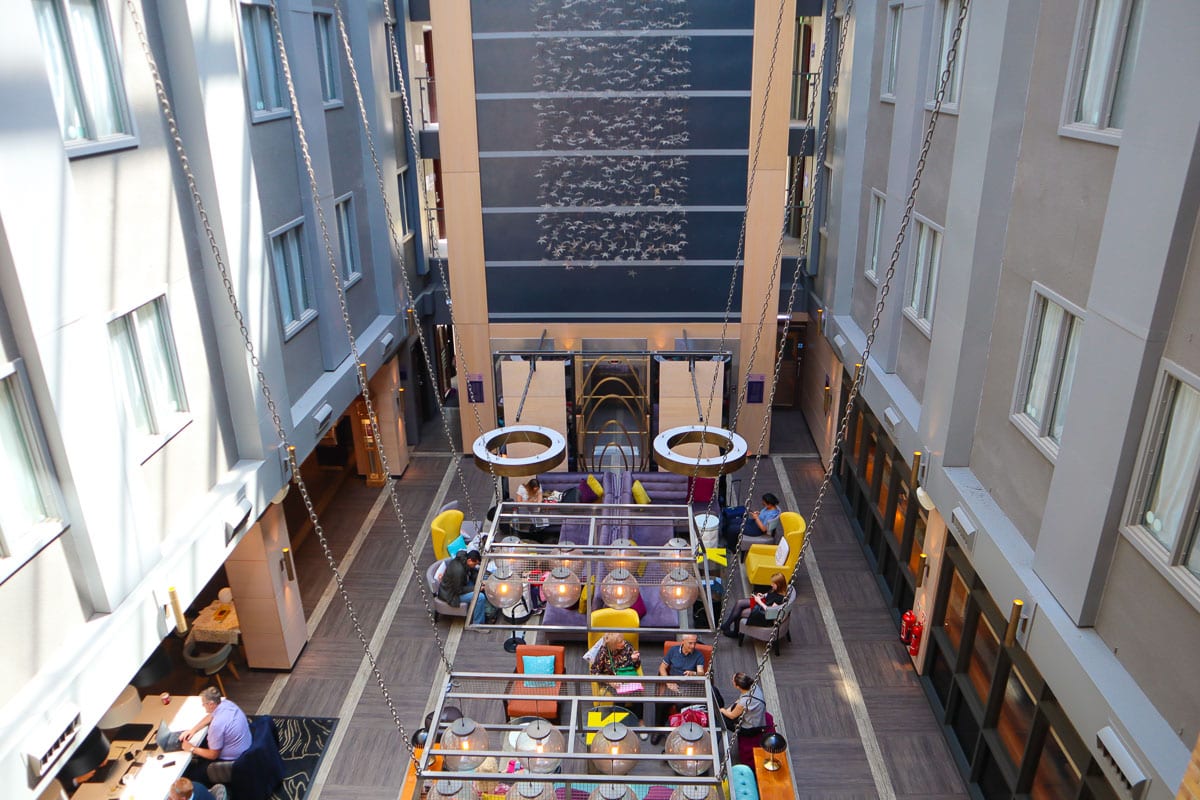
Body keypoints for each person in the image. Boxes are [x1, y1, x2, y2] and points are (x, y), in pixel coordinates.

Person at [181, 687, 251, 784]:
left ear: (211, 704)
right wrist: (193, 730)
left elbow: (213, 755)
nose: (203, 706)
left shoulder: (217, 724)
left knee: (191, 774)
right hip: (245, 745)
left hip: (232, 761)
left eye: (204, 704)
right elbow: (211, 716)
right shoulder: (227, 704)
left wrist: (192, 748)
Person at [651, 634, 707, 744]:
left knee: (681, 705)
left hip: (687, 685)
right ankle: (658, 729)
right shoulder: (673, 651)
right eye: (690, 643)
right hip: (672, 682)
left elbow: (701, 673)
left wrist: (693, 673)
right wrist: (668, 682)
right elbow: (662, 667)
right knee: (661, 703)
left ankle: (679, 732)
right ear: (683, 642)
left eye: (694, 643)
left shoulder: (698, 655)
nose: (693, 646)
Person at [590, 632, 646, 731]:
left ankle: (640, 720)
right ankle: (619, 722)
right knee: (620, 697)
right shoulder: (603, 652)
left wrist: (634, 660)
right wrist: (609, 681)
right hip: (613, 680)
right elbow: (594, 672)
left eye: (623, 640)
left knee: (638, 694)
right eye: (621, 642)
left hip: (629, 676)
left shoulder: (627, 646)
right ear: (613, 645)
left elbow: (637, 666)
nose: (624, 643)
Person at [719, 572, 787, 638]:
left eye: (773, 583)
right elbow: (771, 596)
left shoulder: (780, 598)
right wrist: (763, 595)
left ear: (779, 585)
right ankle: (727, 625)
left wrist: (759, 601)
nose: (771, 584)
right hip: (763, 602)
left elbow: (770, 612)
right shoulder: (777, 590)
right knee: (739, 603)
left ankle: (734, 632)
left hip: (763, 612)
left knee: (740, 611)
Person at [437, 549, 492, 624]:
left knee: (484, 579)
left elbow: (472, 572)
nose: (475, 566)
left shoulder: (464, 560)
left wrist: (479, 581)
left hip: (461, 584)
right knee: (480, 597)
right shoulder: (458, 571)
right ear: (470, 560)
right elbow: (458, 590)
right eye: (475, 564)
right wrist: (477, 588)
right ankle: (478, 623)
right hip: (452, 595)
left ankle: (485, 610)